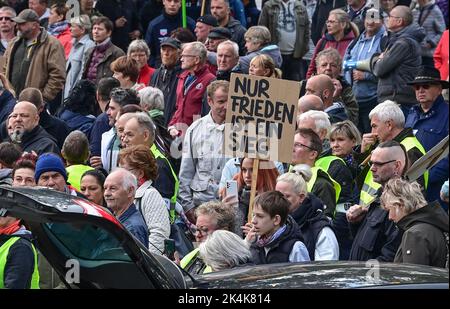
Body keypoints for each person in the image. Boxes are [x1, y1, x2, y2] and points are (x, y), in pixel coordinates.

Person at [177, 80, 230, 224]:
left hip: (230, 205)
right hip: (201, 204)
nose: (226, 106)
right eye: (221, 101)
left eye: (229, 101)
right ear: (210, 101)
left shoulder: (242, 130)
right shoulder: (195, 129)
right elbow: (186, 172)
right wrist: (188, 207)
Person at [357, 100, 428, 205]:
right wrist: (363, 152)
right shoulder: (385, 146)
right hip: (373, 214)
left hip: (388, 215)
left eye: (374, 126)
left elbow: (410, 196)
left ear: (389, 124)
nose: (372, 132)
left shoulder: (411, 150)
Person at [347, 141, 404, 261]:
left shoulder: (399, 204)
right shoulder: (379, 197)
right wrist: (356, 223)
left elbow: (390, 257)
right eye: (371, 163)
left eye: (378, 164)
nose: (372, 169)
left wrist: (367, 275)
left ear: (397, 166)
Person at [3, 8, 66, 110]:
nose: (18, 27)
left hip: (37, 105)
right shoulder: (14, 42)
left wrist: (42, 98)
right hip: (11, 102)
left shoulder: (52, 44)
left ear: (35, 24)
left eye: (22, 24)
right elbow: (4, 68)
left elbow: (58, 75)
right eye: (17, 23)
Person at [405, 66, 449, 209]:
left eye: (425, 86)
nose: (420, 90)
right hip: (410, 189)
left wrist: (426, 178)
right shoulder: (411, 114)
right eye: (417, 87)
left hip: (436, 190)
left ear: (439, 88)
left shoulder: (447, 114)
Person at [381, 178, 449, 268]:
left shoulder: (414, 234)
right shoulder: (434, 225)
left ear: (401, 205)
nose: (390, 217)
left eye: (389, 210)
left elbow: (414, 278)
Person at [371, 5, 425, 116]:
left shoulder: (403, 43)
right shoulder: (399, 40)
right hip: (397, 99)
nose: (387, 19)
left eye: (390, 16)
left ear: (399, 21)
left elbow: (379, 69)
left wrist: (376, 59)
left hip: (398, 100)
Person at [119, 145, 171, 255]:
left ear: (140, 173)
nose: (119, 175)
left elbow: (159, 234)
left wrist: (145, 261)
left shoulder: (150, 195)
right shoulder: (127, 194)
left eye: (124, 171)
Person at [276, 172, 339, 261]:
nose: (279, 201)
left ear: (301, 197)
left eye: (286, 196)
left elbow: (326, 268)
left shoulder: (321, 230)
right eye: (276, 195)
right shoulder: (274, 223)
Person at [344, 8, 386, 133]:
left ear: (382, 21)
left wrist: (366, 76)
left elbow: (387, 71)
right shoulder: (356, 42)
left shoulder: (385, 41)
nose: (370, 22)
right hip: (355, 100)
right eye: (368, 18)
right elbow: (346, 65)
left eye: (375, 19)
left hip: (374, 99)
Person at [244, 191, 310, 264]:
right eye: (254, 215)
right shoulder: (255, 242)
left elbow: (304, 274)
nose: (253, 221)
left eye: (260, 216)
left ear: (276, 220)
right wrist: (247, 243)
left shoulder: (295, 247)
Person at [168, 41, 216, 137]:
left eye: (184, 56)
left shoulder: (210, 80)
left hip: (197, 136)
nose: (181, 59)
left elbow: (209, 112)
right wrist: (172, 125)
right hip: (178, 135)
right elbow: (178, 107)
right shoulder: (182, 77)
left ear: (196, 59)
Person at [221, 158, 279, 236]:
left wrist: (257, 236)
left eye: (252, 170)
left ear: (264, 172)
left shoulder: (274, 200)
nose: (247, 175)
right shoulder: (234, 194)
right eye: (244, 170)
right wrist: (224, 212)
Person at [258, 0, 310, 81]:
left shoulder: (300, 7)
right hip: (274, 56)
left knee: (293, 85)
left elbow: (307, 31)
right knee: (274, 82)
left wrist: (302, 50)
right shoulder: (269, 6)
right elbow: (262, 30)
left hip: (295, 56)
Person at [292, 127, 338, 216]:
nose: (291, 148)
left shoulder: (323, 185)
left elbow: (323, 221)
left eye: (298, 145)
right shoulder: (286, 175)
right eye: (291, 144)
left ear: (313, 154)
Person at [180, 200, 236, 274]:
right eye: (196, 229)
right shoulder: (194, 254)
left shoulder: (231, 262)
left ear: (223, 231)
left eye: (204, 230)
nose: (197, 235)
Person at [104, 168, 149, 248]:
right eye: (105, 188)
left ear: (130, 191)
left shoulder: (132, 228)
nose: (106, 193)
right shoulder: (120, 219)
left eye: (113, 188)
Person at [307, 9, 358, 78]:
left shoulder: (353, 43)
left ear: (343, 24)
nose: (328, 25)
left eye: (332, 22)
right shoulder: (323, 41)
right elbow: (312, 66)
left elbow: (353, 68)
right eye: (328, 22)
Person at [144, 0, 196, 67]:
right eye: (169, 0)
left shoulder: (190, 24)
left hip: (184, 69)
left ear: (181, 3)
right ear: (163, 2)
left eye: (176, 1)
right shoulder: (154, 25)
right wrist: (157, 67)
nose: (172, 4)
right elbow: (148, 52)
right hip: (161, 69)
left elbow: (196, 49)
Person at [314, 48, 358, 125]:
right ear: (317, 69)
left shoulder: (345, 89)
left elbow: (353, 121)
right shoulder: (305, 86)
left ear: (340, 70)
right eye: (324, 65)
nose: (328, 68)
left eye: (333, 65)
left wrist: (337, 99)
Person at [82, 16, 125, 86]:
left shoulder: (117, 53)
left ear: (109, 33)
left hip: (105, 93)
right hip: (87, 92)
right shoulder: (89, 51)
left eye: (100, 29)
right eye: (94, 28)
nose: (96, 32)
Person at [0, 212, 39, 288]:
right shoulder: (3, 238)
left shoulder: (21, 247)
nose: (1, 212)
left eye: (5, 209)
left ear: (18, 215)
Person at [149, 37, 182, 126]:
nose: (166, 53)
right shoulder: (155, 73)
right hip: (156, 123)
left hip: (175, 125)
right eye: (163, 49)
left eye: (170, 50)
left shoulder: (184, 74)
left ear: (179, 53)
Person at [64, 14, 95, 100]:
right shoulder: (74, 44)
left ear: (82, 29)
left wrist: (76, 92)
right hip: (67, 92)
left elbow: (83, 71)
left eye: (73, 26)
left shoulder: (89, 45)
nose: (70, 29)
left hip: (76, 94)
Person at [412, 0, 445, 66]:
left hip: (429, 55)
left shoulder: (435, 10)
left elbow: (442, 32)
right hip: (416, 54)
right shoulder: (414, 11)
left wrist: (431, 43)